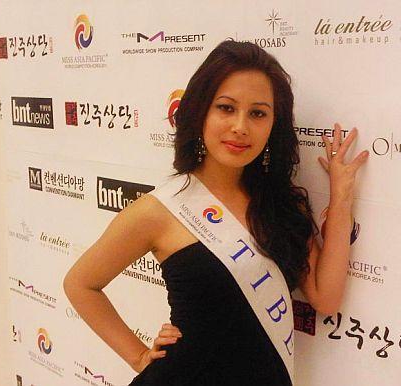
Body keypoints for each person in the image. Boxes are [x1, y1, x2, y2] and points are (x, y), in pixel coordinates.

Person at [63, 40, 369, 386]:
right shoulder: (160, 210)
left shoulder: (281, 206)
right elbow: (81, 284)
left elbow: (325, 297)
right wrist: (138, 357)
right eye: (226, 108)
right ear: (200, 113)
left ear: (273, 125)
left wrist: (341, 198)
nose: (241, 126)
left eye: (258, 113)